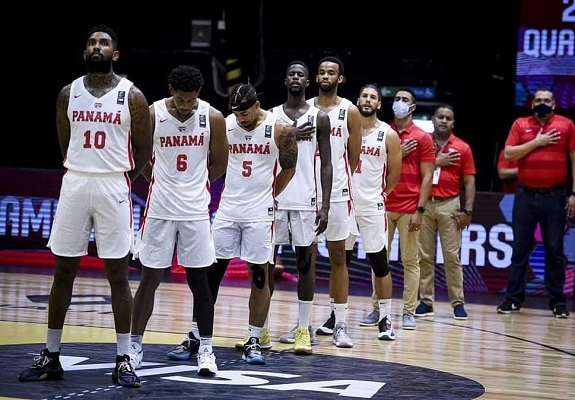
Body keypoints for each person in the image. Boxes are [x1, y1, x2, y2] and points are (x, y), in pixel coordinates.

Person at [18, 25, 152, 388]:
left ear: (115, 54)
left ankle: (124, 358)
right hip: (76, 181)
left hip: (113, 184)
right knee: (63, 272)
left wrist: (118, 175)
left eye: (104, 43)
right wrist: (85, 169)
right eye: (92, 42)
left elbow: (143, 149)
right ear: (84, 52)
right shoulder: (68, 93)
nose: (97, 46)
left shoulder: (132, 95)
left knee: (117, 275)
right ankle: (51, 354)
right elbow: (65, 141)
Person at [127, 65, 228, 376]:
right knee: (150, 280)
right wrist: (158, 180)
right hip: (158, 210)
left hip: (196, 211)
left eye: (191, 100)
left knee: (200, 282)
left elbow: (220, 164)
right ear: (171, 91)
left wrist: (195, 185)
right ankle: (133, 347)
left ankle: (206, 349)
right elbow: (140, 156)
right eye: (181, 99)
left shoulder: (212, 117)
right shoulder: (154, 114)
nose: (186, 105)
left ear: (198, 94)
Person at [206, 83, 304, 365]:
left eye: (245, 113)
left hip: (260, 212)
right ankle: (197, 334)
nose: (241, 118)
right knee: (211, 275)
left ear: (257, 106)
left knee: (260, 278)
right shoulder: (225, 125)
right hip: (227, 209)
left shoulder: (280, 129)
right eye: (236, 113)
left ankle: (254, 339)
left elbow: (290, 167)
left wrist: (271, 194)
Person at [263, 60, 333, 355]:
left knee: (305, 266)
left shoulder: (321, 118)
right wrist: (291, 132)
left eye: (301, 74)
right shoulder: (270, 116)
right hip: (274, 199)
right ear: (285, 80)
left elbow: (328, 163)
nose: (295, 77)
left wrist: (326, 205)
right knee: (264, 265)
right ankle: (260, 329)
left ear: (308, 82)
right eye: (291, 73)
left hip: (306, 200)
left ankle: (303, 329)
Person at [358, 87, 434, 330]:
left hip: (410, 207)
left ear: (412, 107)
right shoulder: (383, 132)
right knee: (379, 259)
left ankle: (409, 311)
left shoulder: (423, 137)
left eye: (405, 100)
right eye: (397, 99)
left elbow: (427, 176)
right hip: (382, 205)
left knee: (411, 261)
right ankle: (377, 309)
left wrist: (420, 210)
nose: (400, 103)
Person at [497, 88, 575, 318]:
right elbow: (510, 154)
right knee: (520, 249)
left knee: (554, 250)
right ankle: (513, 299)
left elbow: (574, 159)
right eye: (538, 100)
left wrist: (574, 193)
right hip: (526, 195)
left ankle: (558, 302)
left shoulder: (566, 125)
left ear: (554, 104)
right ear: (532, 105)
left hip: (556, 196)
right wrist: (537, 142)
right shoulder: (520, 124)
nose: (542, 103)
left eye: (547, 100)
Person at [311, 56, 362, 348]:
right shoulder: (305, 107)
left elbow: (352, 157)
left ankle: (340, 323)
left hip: (339, 192)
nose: (326, 76)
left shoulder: (349, 110)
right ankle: (303, 323)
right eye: (322, 72)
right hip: (307, 192)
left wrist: (338, 182)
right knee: (306, 260)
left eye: (331, 72)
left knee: (338, 258)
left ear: (340, 78)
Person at [345, 84, 401, 340]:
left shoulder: (388, 134)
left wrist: (382, 195)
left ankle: (386, 318)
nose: (368, 100)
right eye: (364, 96)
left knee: (380, 264)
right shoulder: (345, 130)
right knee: (340, 264)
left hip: (371, 207)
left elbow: (395, 173)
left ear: (379, 104)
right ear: (357, 100)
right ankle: (337, 317)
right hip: (344, 204)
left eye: (373, 97)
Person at [415, 104, 476, 320]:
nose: (443, 120)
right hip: (424, 203)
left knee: (452, 256)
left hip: (450, 203)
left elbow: (469, 182)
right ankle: (425, 301)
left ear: (453, 123)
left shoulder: (462, 147)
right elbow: (414, 171)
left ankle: (458, 302)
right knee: (424, 255)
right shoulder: (423, 143)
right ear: (433, 119)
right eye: (440, 116)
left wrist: (467, 210)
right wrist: (436, 162)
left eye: (448, 118)